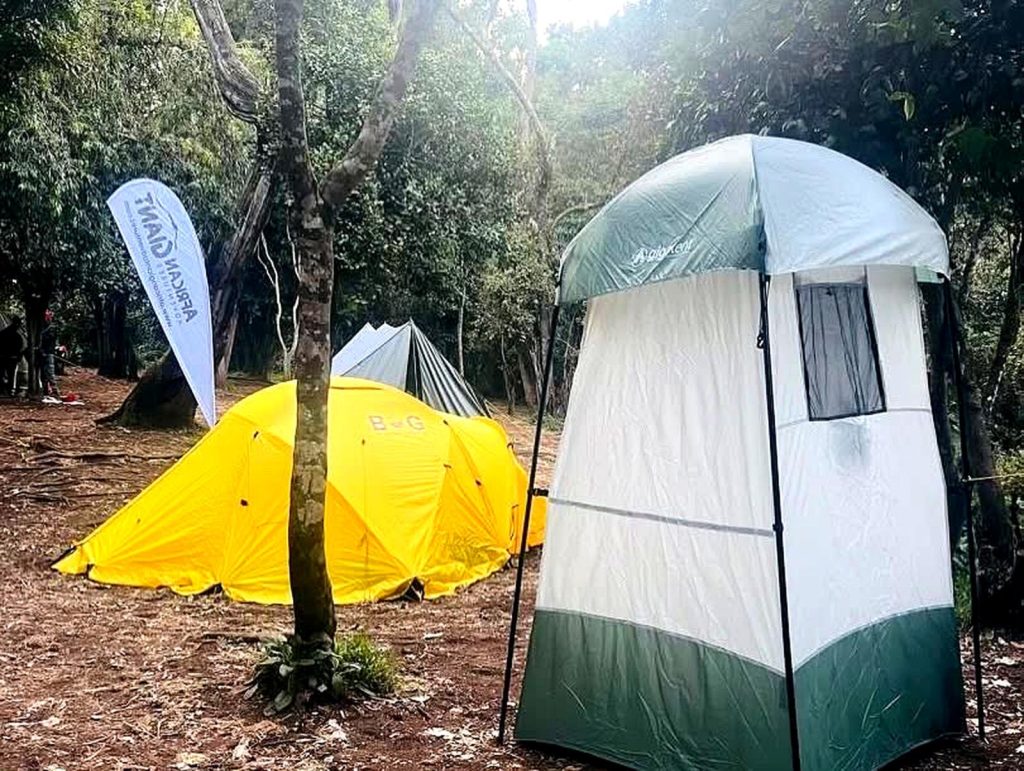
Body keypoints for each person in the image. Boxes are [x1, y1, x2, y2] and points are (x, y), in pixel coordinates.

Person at [0, 316, 25, 396]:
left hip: (4, 357)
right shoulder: (17, 336)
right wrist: (18, 356)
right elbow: (20, 347)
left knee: (3, 374)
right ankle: (9, 390)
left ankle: (4, 390)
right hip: (10, 357)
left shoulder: (4, 333)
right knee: (10, 375)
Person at [39, 309, 60, 398]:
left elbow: (50, 340)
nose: (48, 318)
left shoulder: (52, 328)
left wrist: (44, 350)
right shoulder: (43, 328)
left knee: (50, 373)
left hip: (48, 353)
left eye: (49, 316)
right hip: (42, 353)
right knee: (43, 374)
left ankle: (55, 391)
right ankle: (45, 391)